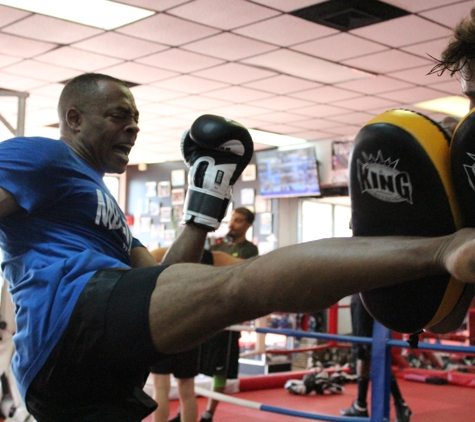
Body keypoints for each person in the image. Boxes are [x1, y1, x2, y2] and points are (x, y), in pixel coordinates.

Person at [2, 73, 475, 422]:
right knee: (239, 287)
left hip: (82, 379)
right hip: (66, 320)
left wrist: (204, 205)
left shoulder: (99, 198)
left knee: (222, 289)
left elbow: (165, 277)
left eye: (136, 119)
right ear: (73, 118)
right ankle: (444, 249)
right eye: (119, 116)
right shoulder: (42, 156)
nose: (132, 128)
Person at [199, 208, 257, 422]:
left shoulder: (250, 250)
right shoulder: (217, 244)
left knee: (219, 368)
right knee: (195, 362)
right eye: (232, 220)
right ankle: (183, 413)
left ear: (248, 225)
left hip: (228, 315)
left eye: (239, 221)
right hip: (206, 311)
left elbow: (243, 278)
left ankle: (208, 413)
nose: (233, 224)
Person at [341, 294, 412, 421]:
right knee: (366, 354)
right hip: (368, 300)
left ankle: (400, 404)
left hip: (364, 299)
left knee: (367, 353)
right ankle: (361, 405)